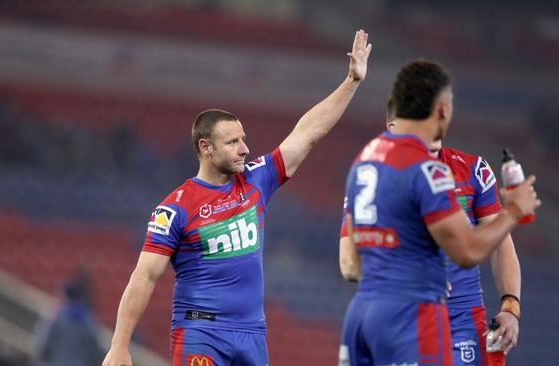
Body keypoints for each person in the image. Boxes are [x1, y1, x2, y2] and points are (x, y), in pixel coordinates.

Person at [103, 30, 372, 366]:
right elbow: (144, 276)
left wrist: (351, 82)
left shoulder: (257, 180)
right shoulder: (175, 209)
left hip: (252, 334)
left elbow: (308, 133)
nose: (245, 148)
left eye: (243, 139)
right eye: (232, 142)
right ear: (205, 147)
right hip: (200, 333)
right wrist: (119, 345)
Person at [337, 59, 539, 366]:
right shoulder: (427, 172)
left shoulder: (363, 165)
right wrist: (513, 209)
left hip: (368, 316)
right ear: (443, 109)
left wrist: (510, 305)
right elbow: (468, 250)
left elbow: (350, 265)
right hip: (421, 316)